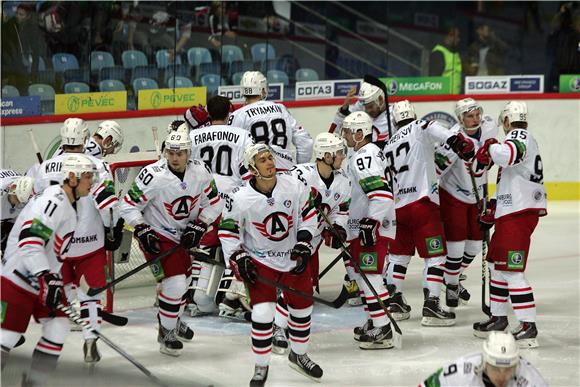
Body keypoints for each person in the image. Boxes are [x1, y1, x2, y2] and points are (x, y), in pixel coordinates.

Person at [218, 143, 322, 385]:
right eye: (263, 159)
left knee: (302, 309)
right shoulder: (240, 198)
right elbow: (227, 232)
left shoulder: (294, 185)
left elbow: (309, 215)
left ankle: (299, 355)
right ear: (253, 168)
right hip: (261, 260)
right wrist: (238, 257)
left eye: (270, 157)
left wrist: (305, 243)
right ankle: (261, 367)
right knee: (263, 313)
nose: (269, 162)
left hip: (291, 256)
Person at [120, 131, 223, 356]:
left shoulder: (201, 172)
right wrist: (141, 228)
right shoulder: (152, 176)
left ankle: (172, 319)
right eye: (171, 152)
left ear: (189, 153)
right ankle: (165, 332)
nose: (175, 157)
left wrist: (201, 224)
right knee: (175, 283)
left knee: (184, 281)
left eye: (180, 153)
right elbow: (127, 205)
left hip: (184, 235)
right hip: (157, 235)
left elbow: (215, 203)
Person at [32, 120, 123, 363]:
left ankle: (49, 349)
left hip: (58, 246)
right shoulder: (96, 165)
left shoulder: (45, 168)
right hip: (90, 243)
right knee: (90, 296)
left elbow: (35, 203)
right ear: (84, 139)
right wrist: (112, 230)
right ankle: (91, 340)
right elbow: (108, 205)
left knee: (60, 296)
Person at [1, 154, 96, 385]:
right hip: (17, 278)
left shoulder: (71, 206)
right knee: (9, 336)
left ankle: (35, 382)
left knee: (58, 326)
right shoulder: (53, 201)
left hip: (41, 281)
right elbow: (29, 240)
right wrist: (47, 276)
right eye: (87, 177)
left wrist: (58, 281)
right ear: (72, 178)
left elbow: (53, 251)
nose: (91, 182)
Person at [382, 100, 475, 327]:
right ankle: (432, 305)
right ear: (412, 114)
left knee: (398, 256)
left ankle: (395, 303)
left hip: (397, 208)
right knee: (435, 257)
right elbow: (439, 131)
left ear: (395, 120)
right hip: (423, 204)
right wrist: (458, 141)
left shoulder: (387, 145)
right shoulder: (419, 126)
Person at [472, 101, 547, 348]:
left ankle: (528, 326)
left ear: (507, 120)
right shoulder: (524, 136)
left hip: (519, 212)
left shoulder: (518, 134)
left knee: (512, 271)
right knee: (496, 266)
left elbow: (508, 156)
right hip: (512, 210)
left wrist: (491, 146)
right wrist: (494, 207)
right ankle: (499, 318)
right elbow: (511, 175)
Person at [272, 132, 351, 353]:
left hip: (311, 241)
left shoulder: (343, 181)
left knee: (298, 284)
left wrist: (338, 229)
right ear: (326, 155)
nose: (342, 157)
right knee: (292, 282)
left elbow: (340, 210)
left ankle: (280, 324)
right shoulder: (300, 175)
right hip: (288, 238)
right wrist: (302, 199)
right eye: (338, 153)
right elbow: (278, 198)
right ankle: (277, 326)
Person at [186, 95, 253, 318]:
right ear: (229, 113)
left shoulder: (193, 136)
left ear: (208, 112)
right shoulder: (242, 135)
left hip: (205, 201)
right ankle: (230, 298)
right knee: (236, 246)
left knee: (202, 247)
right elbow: (249, 170)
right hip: (232, 200)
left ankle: (196, 297)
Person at [435, 98, 498, 309]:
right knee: (456, 247)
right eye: (469, 116)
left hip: (478, 197)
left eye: (477, 114)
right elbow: (435, 171)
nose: (475, 119)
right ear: (461, 119)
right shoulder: (452, 140)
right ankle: (452, 284)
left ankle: (450, 275)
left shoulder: (488, 127)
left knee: (474, 245)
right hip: (454, 196)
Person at [340, 111, 396, 349]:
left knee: (370, 275)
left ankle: (383, 328)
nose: (343, 136)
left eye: (347, 131)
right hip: (362, 225)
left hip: (372, 227)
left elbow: (382, 195)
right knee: (362, 276)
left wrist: (371, 222)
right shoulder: (363, 154)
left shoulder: (365, 155)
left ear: (359, 133)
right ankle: (374, 320)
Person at [229, 70, 313, 171]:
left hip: (258, 175)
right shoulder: (281, 109)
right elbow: (305, 142)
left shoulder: (238, 115)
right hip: (286, 172)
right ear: (263, 89)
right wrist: (300, 169)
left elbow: (232, 151)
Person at [420, 331, 548, 387]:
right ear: (485, 362)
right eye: (496, 369)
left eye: (508, 369)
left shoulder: (531, 381)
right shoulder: (461, 371)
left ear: (517, 365)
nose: (502, 376)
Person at [330, 75, 394, 145]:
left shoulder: (395, 116)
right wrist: (344, 108)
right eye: (365, 107)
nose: (368, 111)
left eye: (370, 107)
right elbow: (336, 130)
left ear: (381, 100)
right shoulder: (362, 107)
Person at [1, 171, 34, 255]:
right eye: (17, 198)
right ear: (12, 189)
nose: (18, 203)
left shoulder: (31, 198)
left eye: (21, 201)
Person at [430, 27, 462, 94]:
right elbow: (434, 79)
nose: (458, 39)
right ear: (449, 36)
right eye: (457, 36)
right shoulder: (439, 52)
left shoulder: (455, 53)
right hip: (443, 97)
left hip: (455, 96)